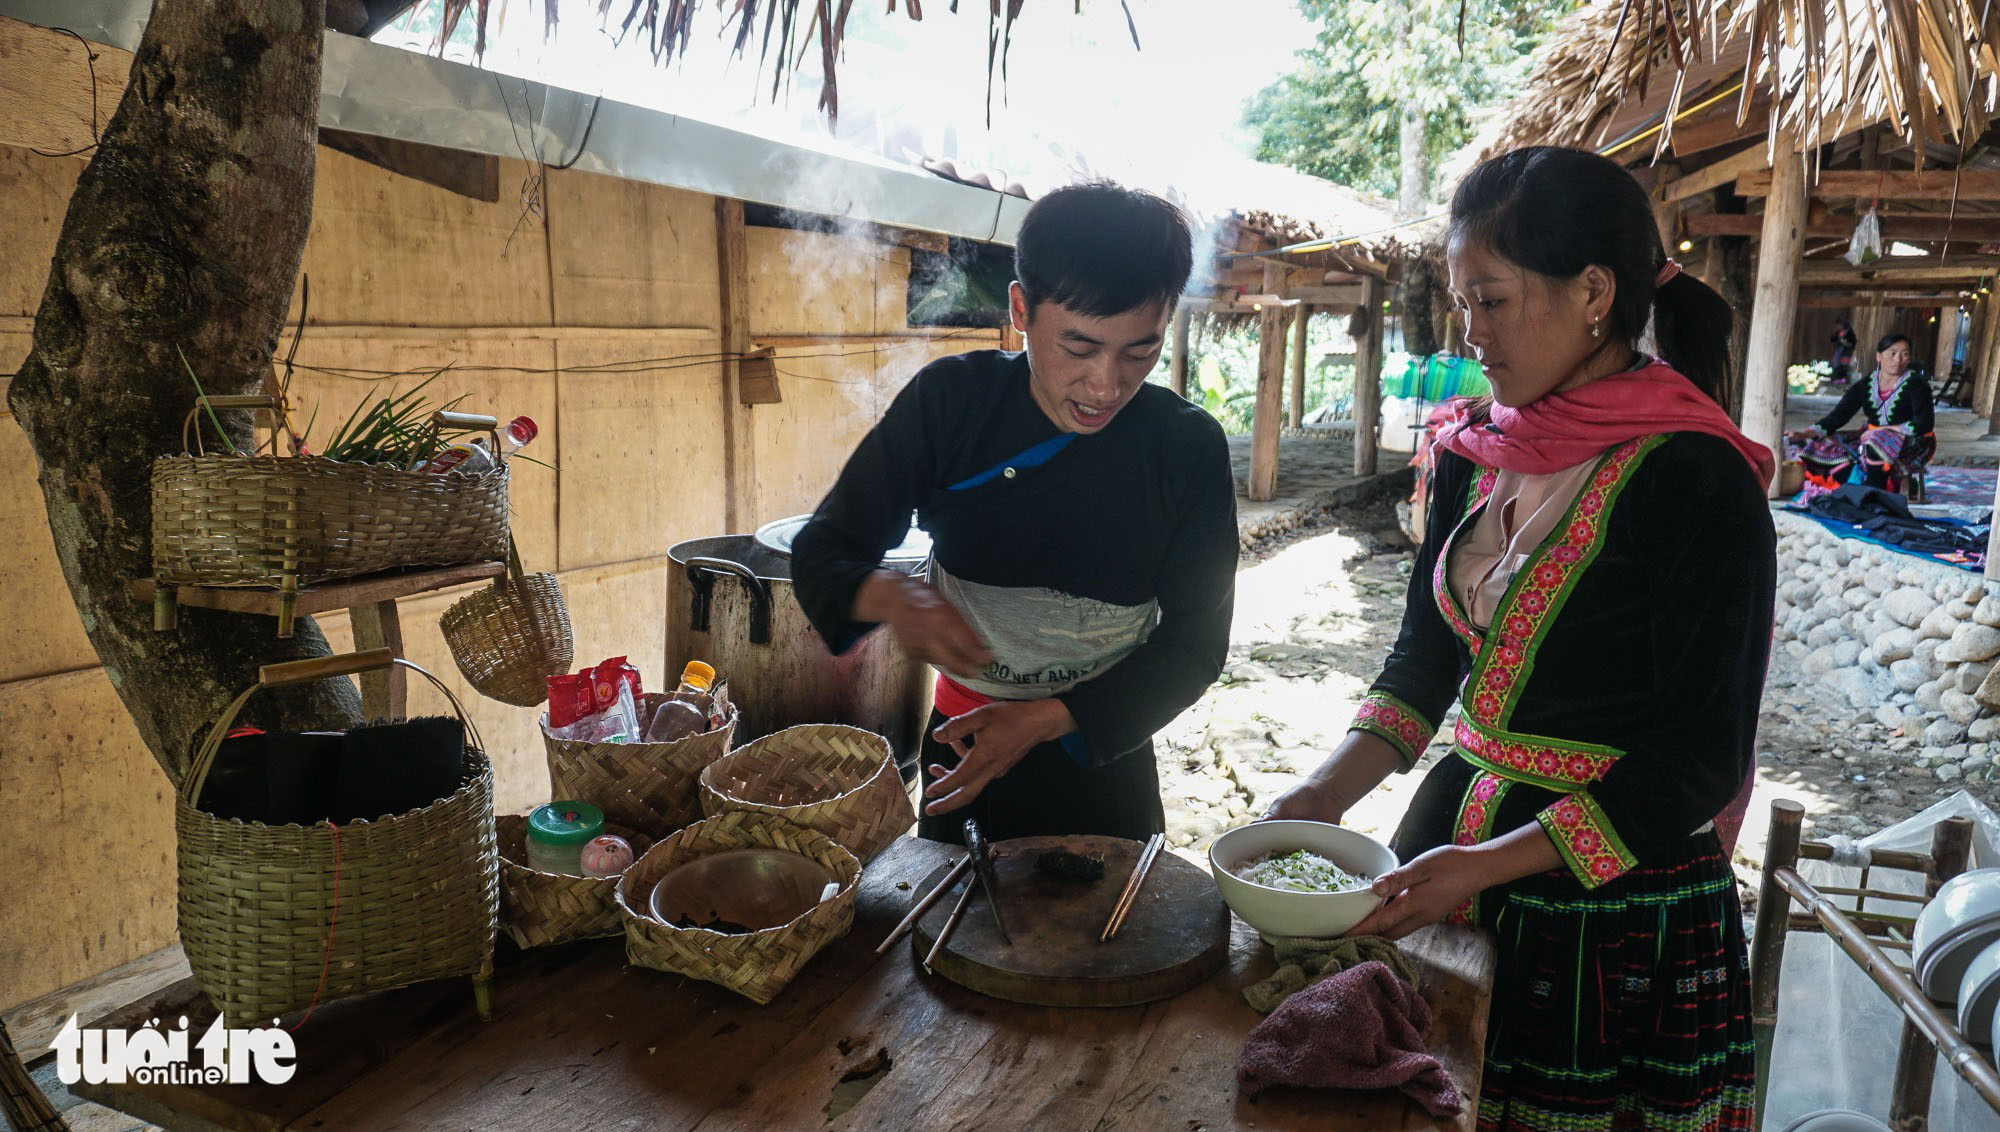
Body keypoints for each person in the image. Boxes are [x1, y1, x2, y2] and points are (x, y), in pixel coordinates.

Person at [1264, 146, 1774, 1131]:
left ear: (1593, 293)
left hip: (1611, 918)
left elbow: (1696, 762)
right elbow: (1424, 660)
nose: (1472, 332)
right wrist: (1322, 797)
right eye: (1463, 303)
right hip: (1444, 851)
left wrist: (1487, 862)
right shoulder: (1475, 453)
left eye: (1491, 300)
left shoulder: (1696, 481)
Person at [790, 182, 1238, 846]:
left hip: (1102, 759)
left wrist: (1046, 717)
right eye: (1079, 348)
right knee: (945, 908)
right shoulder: (951, 406)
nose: (1106, 385)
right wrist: (887, 594)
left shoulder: (1186, 449)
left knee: (1112, 910)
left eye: (1139, 352)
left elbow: (1195, 644)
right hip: (961, 749)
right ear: (1021, 308)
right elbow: (824, 550)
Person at [1811, 332, 1936, 492]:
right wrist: (1805, 433)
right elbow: (1839, 415)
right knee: (1823, 443)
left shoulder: (1917, 385)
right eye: (1892, 353)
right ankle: (1855, 483)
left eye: (1904, 354)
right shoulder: (1866, 385)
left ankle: (1875, 490)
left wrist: (1886, 429)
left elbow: (1925, 424)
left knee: (1876, 439)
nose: (1898, 359)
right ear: (1879, 356)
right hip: (1871, 436)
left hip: (1912, 441)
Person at [1829, 316, 1858, 382]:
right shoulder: (1838, 332)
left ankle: (1843, 379)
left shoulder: (1849, 331)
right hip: (1839, 350)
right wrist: (1833, 334)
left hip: (1847, 351)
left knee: (1844, 365)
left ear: (1842, 324)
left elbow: (1854, 341)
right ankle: (1836, 378)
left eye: (1838, 325)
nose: (1837, 326)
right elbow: (1832, 340)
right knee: (1836, 364)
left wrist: (1846, 343)